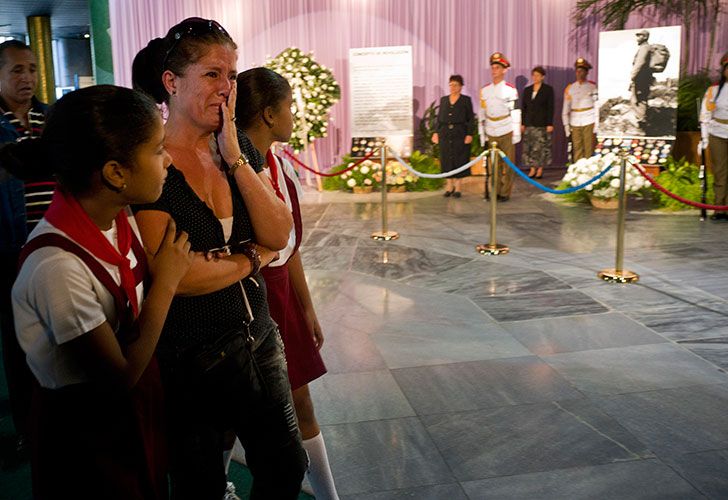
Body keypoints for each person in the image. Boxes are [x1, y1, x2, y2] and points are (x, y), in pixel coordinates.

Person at [132, 17, 306, 500]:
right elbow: (181, 276)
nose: (227, 88)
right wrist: (252, 259)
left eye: (231, 75)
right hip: (189, 352)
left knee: (287, 465)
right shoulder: (151, 162)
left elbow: (278, 230)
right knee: (199, 482)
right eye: (212, 74)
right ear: (171, 82)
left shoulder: (238, 147)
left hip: (258, 336)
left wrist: (234, 158)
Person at [6, 84, 193, 499]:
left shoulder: (118, 220)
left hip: (133, 421)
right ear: (115, 173)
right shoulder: (56, 266)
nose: (170, 160)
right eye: (158, 149)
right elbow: (119, 376)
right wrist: (166, 283)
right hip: (84, 440)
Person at [236, 66, 339, 500]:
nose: (294, 114)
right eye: (289, 107)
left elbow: (290, 244)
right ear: (267, 114)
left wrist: (307, 306)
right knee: (232, 412)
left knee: (302, 404)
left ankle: (328, 494)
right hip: (249, 297)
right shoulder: (233, 173)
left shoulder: (279, 166)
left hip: (280, 294)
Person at [0, 39, 52, 460]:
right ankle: (27, 429)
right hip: (8, 253)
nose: (27, 78)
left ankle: (56, 419)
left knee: (57, 340)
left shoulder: (51, 119)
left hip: (52, 249)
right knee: (19, 347)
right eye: (17, 70)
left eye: (32, 69)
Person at [479, 52, 520, 201]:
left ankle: (505, 192)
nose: (494, 70)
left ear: (504, 70)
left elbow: (515, 112)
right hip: (491, 129)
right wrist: (482, 133)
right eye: (493, 67)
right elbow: (482, 112)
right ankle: (495, 191)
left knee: (508, 164)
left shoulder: (510, 89)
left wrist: (516, 134)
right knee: (493, 165)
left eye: (497, 68)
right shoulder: (485, 90)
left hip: (506, 129)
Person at [432, 74, 474, 198]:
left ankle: (458, 186)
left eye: (456, 85)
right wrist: (436, 132)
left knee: (459, 158)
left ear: (461, 86)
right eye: (451, 85)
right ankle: (449, 185)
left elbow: (470, 119)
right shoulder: (444, 100)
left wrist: (469, 134)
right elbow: (439, 118)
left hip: (460, 133)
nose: (453, 87)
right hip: (445, 133)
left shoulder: (466, 100)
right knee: (446, 158)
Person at [701, 51, 728, 221]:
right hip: (717, 133)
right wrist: (704, 138)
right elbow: (705, 114)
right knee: (720, 172)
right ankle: (719, 208)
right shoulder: (714, 90)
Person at [562, 58, 597, 161]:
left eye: (582, 71)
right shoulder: (570, 88)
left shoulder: (592, 87)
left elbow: (597, 106)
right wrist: (566, 126)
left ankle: (589, 173)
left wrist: (597, 124)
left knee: (589, 149)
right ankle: (578, 173)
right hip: (575, 120)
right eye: (577, 71)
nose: (579, 73)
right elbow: (565, 109)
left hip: (589, 120)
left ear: (586, 72)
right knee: (577, 149)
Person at [521, 66, 554, 178]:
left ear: (542, 77)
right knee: (529, 147)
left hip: (542, 123)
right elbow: (524, 108)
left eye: (538, 75)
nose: (535, 77)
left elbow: (551, 108)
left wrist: (550, 123)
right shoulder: (527, 90)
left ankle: (540, 169)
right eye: (534, 75)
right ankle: (532, 169)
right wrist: (522, 123)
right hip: (529, 123)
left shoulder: (548, 90)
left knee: (540, 147)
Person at [631, 29, 653, 130]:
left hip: (641, 78)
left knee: (639, 100)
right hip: (644, 78)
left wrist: (632, 76)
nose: (637, 38)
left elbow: (639, 63)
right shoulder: (646, 48)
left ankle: (642, 123)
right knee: (640, 99)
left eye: (640, 36)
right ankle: (642, 121)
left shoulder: (644, 48)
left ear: (645, 37)